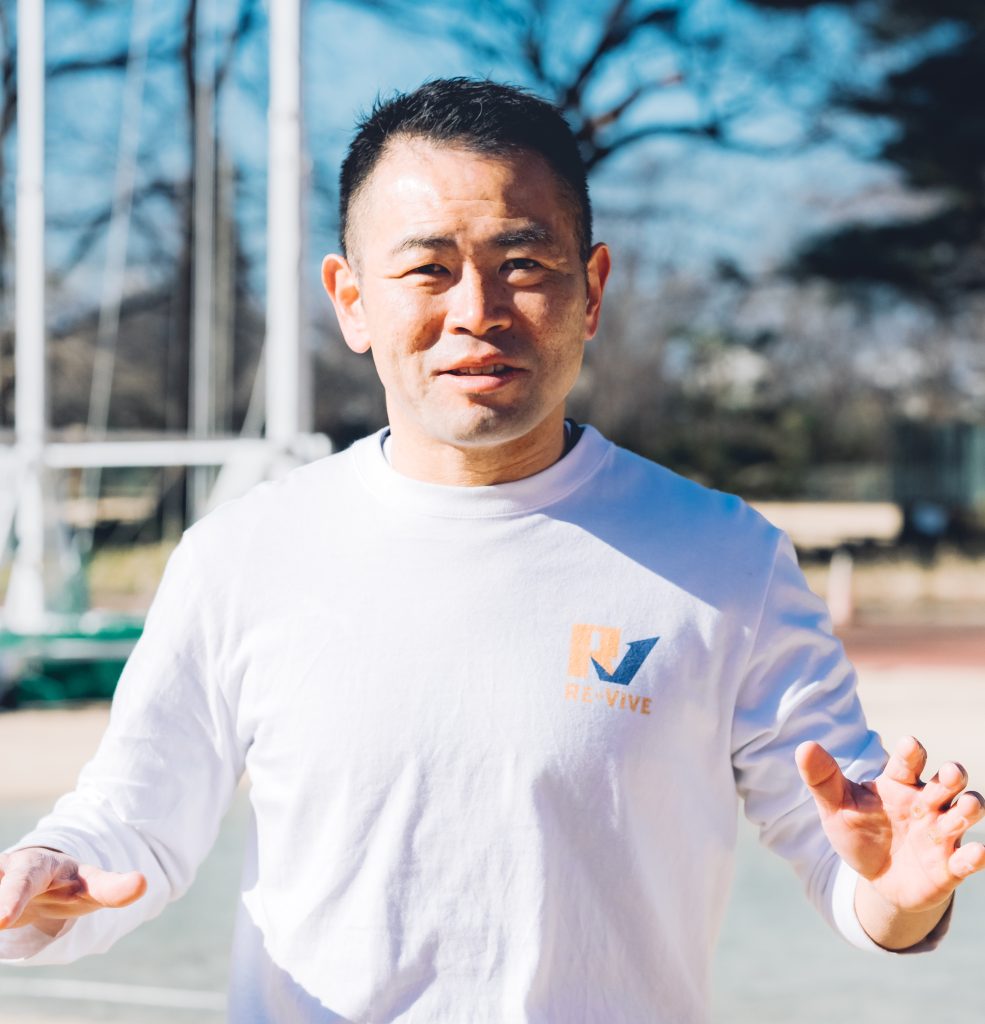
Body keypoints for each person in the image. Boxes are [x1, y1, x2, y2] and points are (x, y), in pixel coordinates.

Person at [1, 78, 983, 1023]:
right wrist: (51, 865)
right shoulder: (242, 555)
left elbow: (852, 851)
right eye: (427, 267)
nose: (477, 309)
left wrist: (903, 892)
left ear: (590, 289)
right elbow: (135, 816)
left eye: (523, 262)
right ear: (350, 298)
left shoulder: (727, 560)